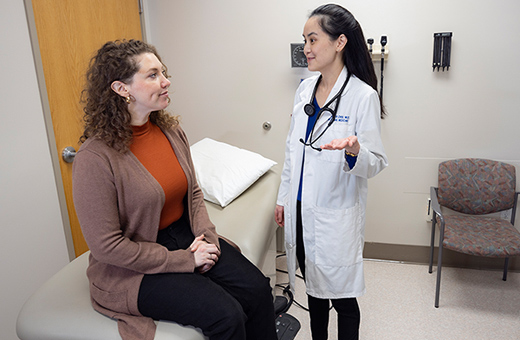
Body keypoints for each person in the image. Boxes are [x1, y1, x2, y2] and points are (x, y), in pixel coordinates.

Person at [73, 39, 277, 340]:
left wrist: (206, 238)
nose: (166, 81)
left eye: (163, 72)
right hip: (132, 266)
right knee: (227, 315)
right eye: (152, 75)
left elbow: (193, 192)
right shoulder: (95, 157)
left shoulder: (170, 131)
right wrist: (185, 260)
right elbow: (108, 247)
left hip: (184, 234)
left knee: (258, 290)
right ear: (122, 89)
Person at [274, 4, 388, 340]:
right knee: (313, 289)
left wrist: (355, 151)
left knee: (343, 298)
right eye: (304, 40)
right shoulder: (304, 90)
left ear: (339, 42)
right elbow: (293, 150)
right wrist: (284, 198)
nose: (306, 48)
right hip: (300, 206)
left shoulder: (361, 96)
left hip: (334, 213)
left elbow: (376, 161)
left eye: (313, 39)